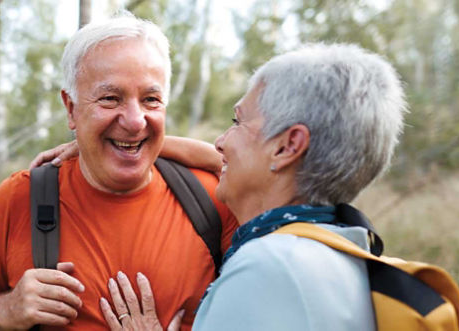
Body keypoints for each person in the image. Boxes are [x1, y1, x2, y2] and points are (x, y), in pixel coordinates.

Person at [0, 13, 238, 330]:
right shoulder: (19, 199)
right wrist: (4, 310)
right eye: (110, 98)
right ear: (71, 108)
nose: (135, 121)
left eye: (151, 99)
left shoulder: (211, 197)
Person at [98, 43, 409, 330]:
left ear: (288, 147)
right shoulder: (346, 252)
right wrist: (110, 146)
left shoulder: (268, 269)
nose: (220, 142)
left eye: (238, 122)